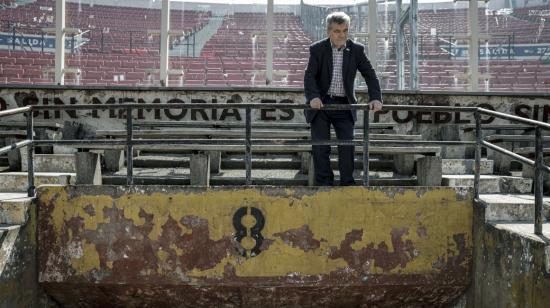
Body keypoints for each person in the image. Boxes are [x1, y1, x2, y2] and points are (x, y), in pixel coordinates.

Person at [304, 11, 383, 186]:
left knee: (347, 145)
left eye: (345, 30)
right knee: (321, 146)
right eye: (337, 31)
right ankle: (325, 184)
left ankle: (347, 183)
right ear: (328, 32)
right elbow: (309, 76)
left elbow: (370, 75)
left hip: (345, 105)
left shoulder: (356, 50)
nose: (342, 35)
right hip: (321, 105)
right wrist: (313, 97)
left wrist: (376, 98)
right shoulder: (317, 49)